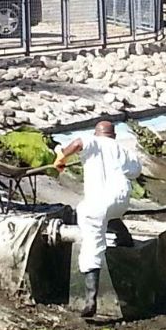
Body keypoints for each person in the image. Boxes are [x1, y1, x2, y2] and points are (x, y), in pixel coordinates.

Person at [54, 121, 141, 317]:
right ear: (114, 136)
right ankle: (124, 238)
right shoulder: (123, 150)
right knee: (109, 215)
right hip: (121, 200)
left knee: (92, 242)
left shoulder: (92, 141)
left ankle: (90, 299)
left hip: (96, 205)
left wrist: (62, 156)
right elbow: (136, 171)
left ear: (96, 133)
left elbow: (77, 143)